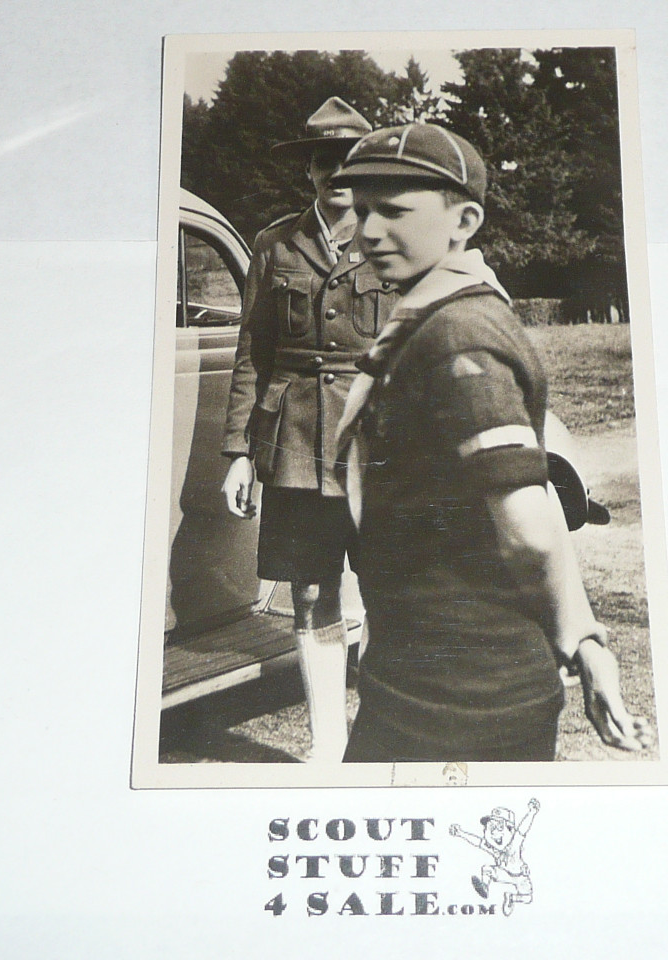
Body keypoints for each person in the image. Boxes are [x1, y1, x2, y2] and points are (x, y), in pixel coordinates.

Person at [331, 122, 652, 762]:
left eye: (393, 211)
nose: (367, 231)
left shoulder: (458, 335)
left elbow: (530, 523)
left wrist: (585, 642)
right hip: (435, 673)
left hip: (456, 693)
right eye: (361, 209)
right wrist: (581, 642)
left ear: (465, 220)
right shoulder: (437, 315)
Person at [220, 98, 399, 762]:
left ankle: (385, 733)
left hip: (376, 446)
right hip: (294, 445)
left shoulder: (396, 242)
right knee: (313, 594)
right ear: (309, 175)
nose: (337, 177)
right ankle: (329, 746)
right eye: (325, 163)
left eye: (351, 164)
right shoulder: (273, 244)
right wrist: (237, 451)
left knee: (389, 587)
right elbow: (252, 352)